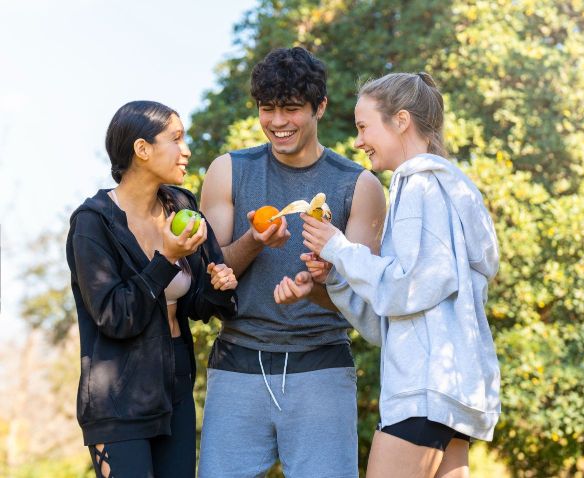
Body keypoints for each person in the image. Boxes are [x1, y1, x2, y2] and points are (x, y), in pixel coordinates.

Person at [275, 72, 501, 478]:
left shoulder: (418, 186)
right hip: (448, 391)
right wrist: (336, 277)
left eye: (364, 127)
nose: (359, 140)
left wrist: (339, 247)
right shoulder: (450, 190)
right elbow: (394, 317)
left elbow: (407, 286)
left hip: (422, 391)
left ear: (400, 120)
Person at [197, 47, 386, 477]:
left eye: (291, 109)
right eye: (268, 109)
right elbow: (209, 277)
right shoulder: (227, 171)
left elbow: (366, 303)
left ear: (319, 107)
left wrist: (317, 287)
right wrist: (254, 241)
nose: (278, 122)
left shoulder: (360, 186)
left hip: (321, 365)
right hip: (237, 362)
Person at [66, 101, 238, 478]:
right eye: (176, 138)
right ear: (142, 150)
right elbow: (114, 316)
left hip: (176, 382)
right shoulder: (93, 223)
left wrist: (220, 287)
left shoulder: (181, 206)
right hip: (118, 399)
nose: (186, 150)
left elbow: (194, 304)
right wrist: (163, 260)